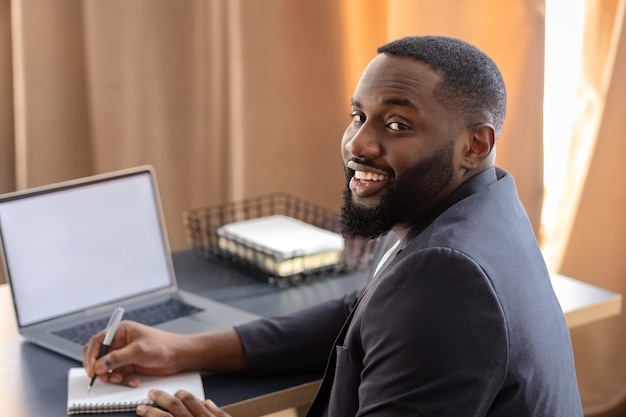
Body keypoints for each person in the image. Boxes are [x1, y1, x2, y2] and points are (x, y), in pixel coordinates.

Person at [83, 35, 583, 416]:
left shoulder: (447, 275)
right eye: (357, 115)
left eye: (396, 125)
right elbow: (362, 310)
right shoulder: (480, 203)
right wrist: (184, 348)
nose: (358, 144)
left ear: (474, 145)